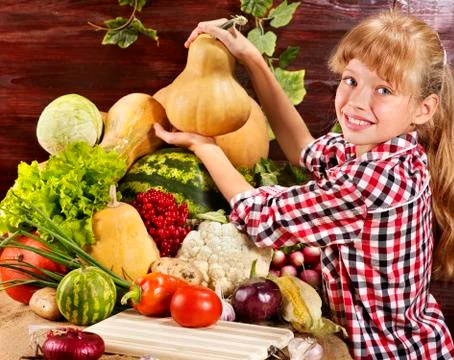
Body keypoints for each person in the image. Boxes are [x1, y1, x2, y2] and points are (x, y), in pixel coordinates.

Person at [153, 10, 454, 359]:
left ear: (423, 109)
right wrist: (252, 59)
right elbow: (303, 149)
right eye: (351, 80)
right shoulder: (391, 151)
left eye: (383, 90)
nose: (356, 101)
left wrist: (205, 146)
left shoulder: (371, 182)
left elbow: (260, 217)